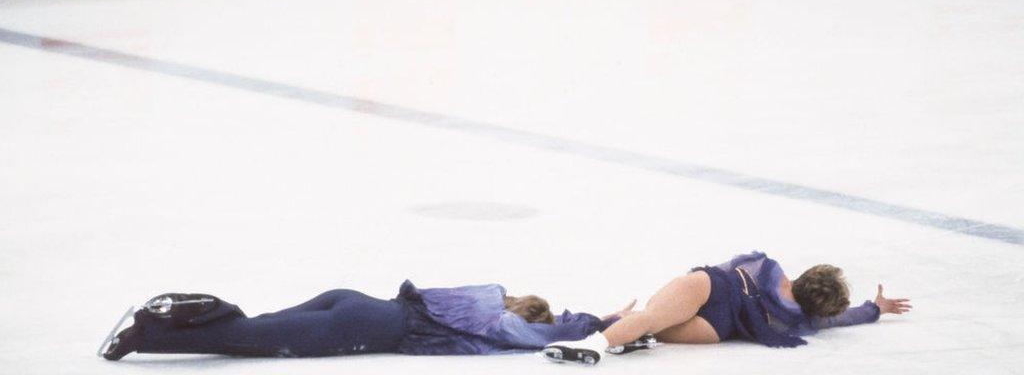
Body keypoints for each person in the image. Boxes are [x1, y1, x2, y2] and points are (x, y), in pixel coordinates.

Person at [98, 279, 644, 361]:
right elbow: (549, 333)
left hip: (353, 299)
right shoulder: (503, 327)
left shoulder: (482, 296)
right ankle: (147, 330)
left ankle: (198, 309)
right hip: (363, 330)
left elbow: (546, 319)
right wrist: (600, 322)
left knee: (260, 325)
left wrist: (599, 312)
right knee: (251, 341)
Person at [543, 251, 912, 365]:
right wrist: (875, 308)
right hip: (720, 327)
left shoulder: (766, 267)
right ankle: (630, 335)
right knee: (651, 324)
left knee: (650, 317)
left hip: (710, 289)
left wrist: (685, 286)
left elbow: (725, 267)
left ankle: (595, 343)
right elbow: (847, 317)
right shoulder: (804, 319)